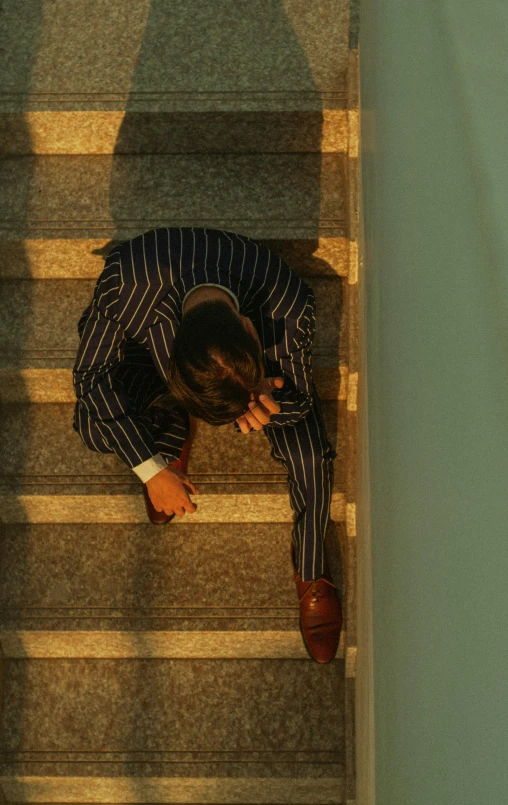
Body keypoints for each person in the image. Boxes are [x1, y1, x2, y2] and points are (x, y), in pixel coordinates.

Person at [72, 227, 342, 663]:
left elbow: (301, 399)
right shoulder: (126, 282)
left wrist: (268, 403)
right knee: (92, 422)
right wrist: (152, 470)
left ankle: (312, 571)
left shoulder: (288, 304)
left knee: (308, 450)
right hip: (149, 344)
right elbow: (91, 377)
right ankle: (170, 430)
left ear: (250, 330)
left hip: (255, 377)